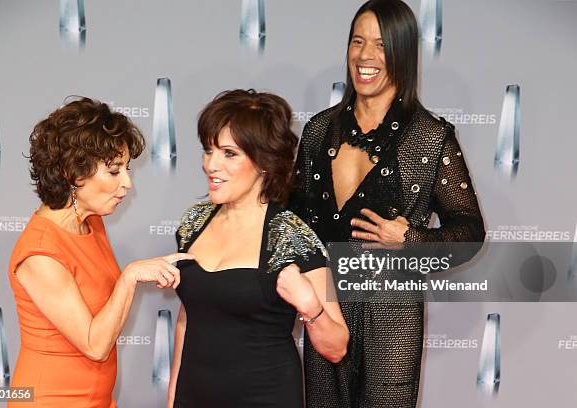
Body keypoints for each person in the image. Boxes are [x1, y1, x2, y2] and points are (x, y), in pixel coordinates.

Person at [289, 1, 485, 407]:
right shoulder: (319, 130)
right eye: (357, 42)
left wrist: (410, 238)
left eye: (381, 45)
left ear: (403, 52)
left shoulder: (429, 137)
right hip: (326, 308)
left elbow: (470, 233)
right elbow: (291, 222)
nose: (365, 56)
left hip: (392, 316)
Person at [167, 89, 349, 408]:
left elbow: (336, 347)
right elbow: (187, 318)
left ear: (264, 162)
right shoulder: (192, 223)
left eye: (229, 153)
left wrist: (310, 307)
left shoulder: (290, 236)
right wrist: (172, 400)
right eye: (208, 150)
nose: (211, 165)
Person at [7, 97, 194, 407]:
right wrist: (130, 276)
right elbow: (95, 345)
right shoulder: (40, 253)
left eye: (127, 169)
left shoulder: (92, 222)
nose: (128, 184)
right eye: (114, 172)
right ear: (73, 173)